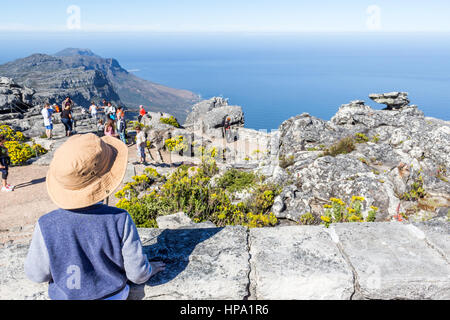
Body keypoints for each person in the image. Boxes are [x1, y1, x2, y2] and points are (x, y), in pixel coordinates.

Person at [24, 133, 166, 300]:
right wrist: (149, 268)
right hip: (114, 295)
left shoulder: (46, 224)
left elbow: (37, 275)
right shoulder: (119, 219)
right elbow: (137, 274)